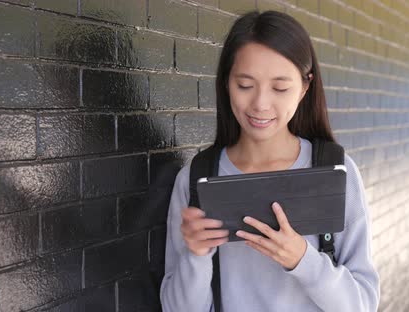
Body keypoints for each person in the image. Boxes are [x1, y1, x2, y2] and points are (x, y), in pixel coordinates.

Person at [159, 10, 380, 312]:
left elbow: (362, 305)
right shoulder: (196, 180)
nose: (261, 104)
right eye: (245, 85)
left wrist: (302, 259)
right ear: (226, 83)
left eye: (280, 88)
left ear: (305, 87)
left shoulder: (335, 172)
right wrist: (196, 256)